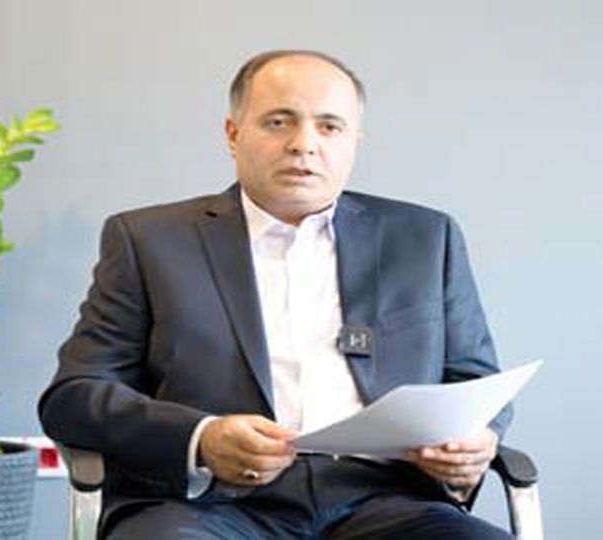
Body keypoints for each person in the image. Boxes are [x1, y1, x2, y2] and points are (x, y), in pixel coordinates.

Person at [39, 49, 514, 539]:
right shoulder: (150, 240)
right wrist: (201, 438)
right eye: (278, 122)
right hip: (206, 506)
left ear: (354, 142)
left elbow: (475, 383)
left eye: (329, 127)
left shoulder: (424, 239)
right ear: (233, 134)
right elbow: (75, 395)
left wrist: (477, 440)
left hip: (386, 503)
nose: (303, 144)